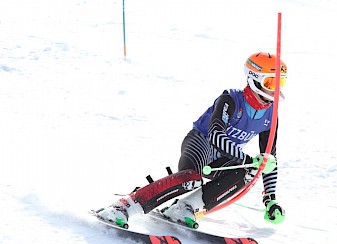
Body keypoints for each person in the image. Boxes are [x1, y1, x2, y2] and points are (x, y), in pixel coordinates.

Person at [96, 52, 286, 228]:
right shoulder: (231, 99)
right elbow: (216, 136)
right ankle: (124, 206)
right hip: (201, 142)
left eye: (280, 84)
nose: (275, 90)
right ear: (254, 79)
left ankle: (185, 207)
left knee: (249, 172)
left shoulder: (272, 115)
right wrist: (246, 159)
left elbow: (269, 159)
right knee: (191, 179)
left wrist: (270, 199)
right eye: (271, 83)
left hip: (222, 158)